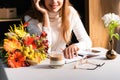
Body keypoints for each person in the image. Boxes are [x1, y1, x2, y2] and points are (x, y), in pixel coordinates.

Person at [24, 0, 92, 59]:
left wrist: (76, 46)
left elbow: (87, 42)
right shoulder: (30, 18)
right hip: (42, 65)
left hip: (62, 62)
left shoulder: (71, 12)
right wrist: (45, 15)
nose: (54, 1)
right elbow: (45, 51)